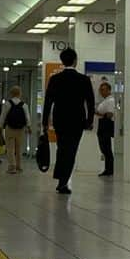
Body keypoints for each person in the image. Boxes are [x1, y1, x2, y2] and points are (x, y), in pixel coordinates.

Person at [41, 47, 95, 195]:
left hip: (60, 120)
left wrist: (45, 121)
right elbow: (90, 102)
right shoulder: (83, 80)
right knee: (71, 150)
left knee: (62, 148)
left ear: (62, 61)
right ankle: (63, 181)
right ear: (75, 61)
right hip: (77, 121)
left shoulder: (55, 79)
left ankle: (61, 178)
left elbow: (48, 102)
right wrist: (89, 120)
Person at [0, 85, 31, 174]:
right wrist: (29, 127)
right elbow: (27, 117)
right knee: (19, 148)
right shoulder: (24, 105)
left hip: (10, 128)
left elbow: (3, 116)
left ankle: (11, 167)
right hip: (21, 129)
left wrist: (0, 127)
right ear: (20, 94)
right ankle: (19, 166)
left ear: (11, 94)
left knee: (10, 148)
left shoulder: (7, 104)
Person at [95, 80, 116, 178]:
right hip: (102, 126)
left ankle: (109, 169)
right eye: (100, 90)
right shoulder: (105, 100)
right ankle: (108, 169)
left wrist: (98, 113)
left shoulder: (111, 101)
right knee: (104, 149)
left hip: (106, 126)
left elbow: (109, 114)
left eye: (103, 90)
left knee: (106, 149)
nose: (101, 92)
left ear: (109, 90)